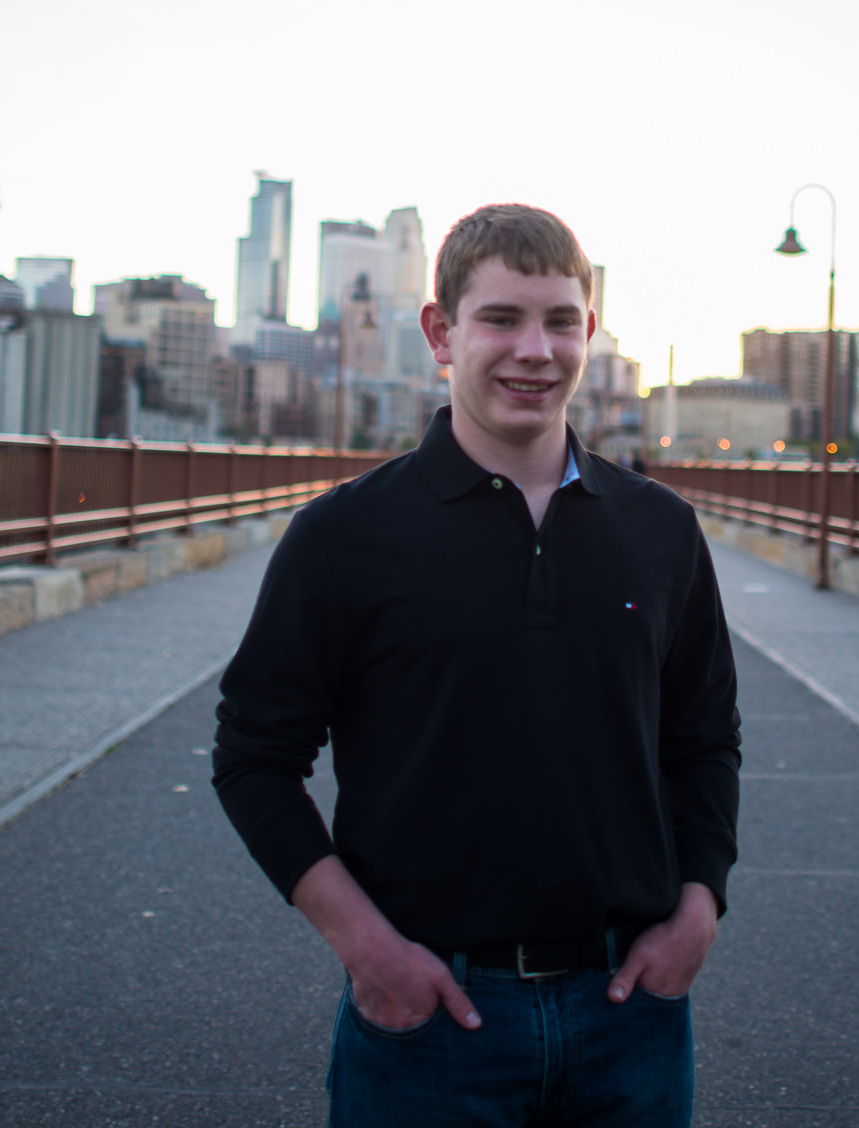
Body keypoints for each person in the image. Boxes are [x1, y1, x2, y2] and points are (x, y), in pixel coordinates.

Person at [214, 203, 742, 1127]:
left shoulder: (660, 531)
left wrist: (699, 907)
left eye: (559, 321)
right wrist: (367, 951)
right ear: (440, 333)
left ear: (588, 328)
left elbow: (703, 742)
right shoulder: (343, 537)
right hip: (426, 1025)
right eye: (500, 319)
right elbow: (254, 758)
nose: (533, 351)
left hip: (632, 1015)